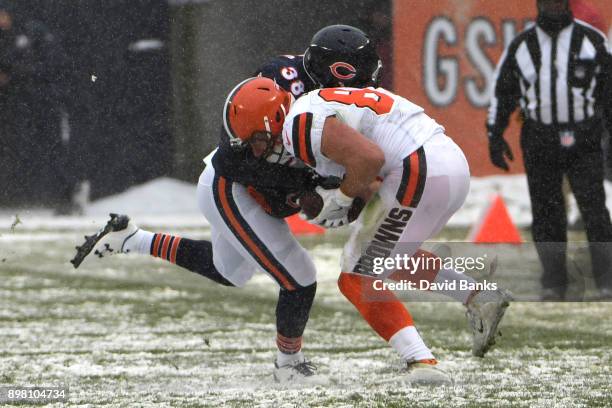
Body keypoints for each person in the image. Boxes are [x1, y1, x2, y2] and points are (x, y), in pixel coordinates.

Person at [231, 25, 513, 386]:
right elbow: (371, 169)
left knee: (356, 276)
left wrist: (342, 198)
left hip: (420, 167)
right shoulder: (335, 102)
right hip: (447, 165)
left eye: (256, 139)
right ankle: (477, 296)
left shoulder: (298, 120)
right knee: (383, 257)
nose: (258, 151)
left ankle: (421, 361)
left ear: (270, 122)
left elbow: (368, 159)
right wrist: (349, 199)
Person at [486, 0, 612, 300]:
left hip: (584, 137)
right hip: (540, 137)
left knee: (594, 210)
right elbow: (502, 91)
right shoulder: (522, 45)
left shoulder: (592, 41)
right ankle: (554, 282)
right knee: (546, 212)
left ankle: (606, 279)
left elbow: (609, 91)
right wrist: (495, 134)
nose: (553, 6)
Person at [0, 2, 80, 213]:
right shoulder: (5, 37)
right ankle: (15, 197)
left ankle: (66, 199)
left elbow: (52, 64)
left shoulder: (34, 32)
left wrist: (15, 73)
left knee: (54, 148)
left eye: (3, 15)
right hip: (14, 105)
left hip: (44, 102)